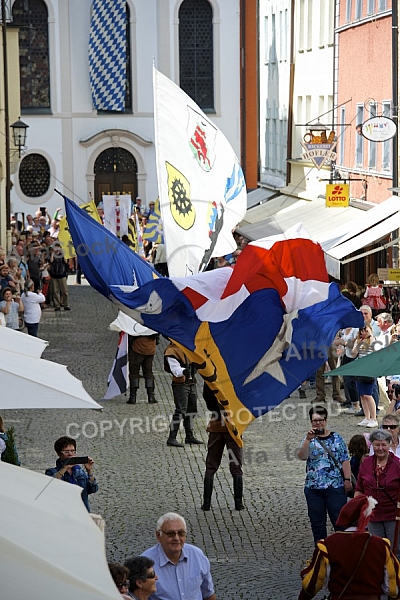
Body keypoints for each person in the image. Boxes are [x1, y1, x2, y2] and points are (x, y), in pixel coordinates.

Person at [298, 494, 400, 600]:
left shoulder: (328, 545)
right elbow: (393, 589)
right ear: (367, 518)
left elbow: (312, 584)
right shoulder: (381, 546)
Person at [297, 405, 351, 544]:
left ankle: (342, 551)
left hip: (335, 486)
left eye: (321, 420)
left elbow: (345, 460)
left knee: (339, 521)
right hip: (314, 488)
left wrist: (347, 479)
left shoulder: (337, 438)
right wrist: (308, 440)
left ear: (326, 420)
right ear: (310, 422)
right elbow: (302, 456)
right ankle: (321, 553)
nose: (318, 423)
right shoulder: (308, 439)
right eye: (315, 420)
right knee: (317, 524)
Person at [141, 512, 216, 600]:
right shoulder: (145, 563)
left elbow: (208, 595)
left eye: (181, 533)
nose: (176, 538)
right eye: (170, 534)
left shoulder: (197, 556)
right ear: (158, 536)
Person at [355, 429, 400, 553]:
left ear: (389, 445)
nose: (380, 448)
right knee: (376, 549)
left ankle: (396, 572)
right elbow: (359, 487)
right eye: (377, 445)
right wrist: (357, 506)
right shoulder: (366, 463)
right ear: (372, 445)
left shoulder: (397, 464)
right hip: (372, 515)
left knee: (395, 550)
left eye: (384, 445)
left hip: (393, 515)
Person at [201, 383, 244, 511]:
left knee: (211, 466)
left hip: (216, 425)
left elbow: (207, 398)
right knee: (236, 467)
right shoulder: (233, 377)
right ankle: (238, 503)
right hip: (233, 426)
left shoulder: (210, 378)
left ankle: (206, 504)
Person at [164, 342, 202, 447]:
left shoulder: (189, 347)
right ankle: (171, 438)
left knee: (192, 409)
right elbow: (175, 370)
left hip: (192, 383)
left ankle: (189, 436)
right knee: (180, 410)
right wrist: (184, 371)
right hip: (180, 384)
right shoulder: (172, 351)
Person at [45, 435, 98, 511]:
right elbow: (50, 488)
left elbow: (93, 489)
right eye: (66, 451)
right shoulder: (51, 472)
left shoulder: (80, 472)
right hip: (62, 511)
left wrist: (89, 471)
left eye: (73, 451)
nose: (70, 454)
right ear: (59, 454)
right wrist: (65, 468)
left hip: (81, 512)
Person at [351, 325, 378, 427]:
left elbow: (376, 350)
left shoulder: (373, 340)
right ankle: (367, 417)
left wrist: (370, 336)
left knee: (368, 395)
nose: (363, 332)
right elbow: (353, 354)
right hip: (360, 369)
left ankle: (374, 418)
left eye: (365, 330)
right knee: (362, 395)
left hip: (369, 370)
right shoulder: (359, 341)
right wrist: (358, 344)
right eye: (361, 331)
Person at [127, 333, 159, 405]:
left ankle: (133, 397)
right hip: (150, 346)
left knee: (134, 372)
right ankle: (151, 396)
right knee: (148, 372)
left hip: (138, 345)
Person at [49, 243, 70, 311]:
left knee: (65, 291)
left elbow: (66, 262)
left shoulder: (62, 255)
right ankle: (57, 305)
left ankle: (65, 304)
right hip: (54, 275)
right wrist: (52, 253)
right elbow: (51, 261)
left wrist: (63, 254)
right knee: (55, 291)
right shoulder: (53, 255)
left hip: (62, 274)